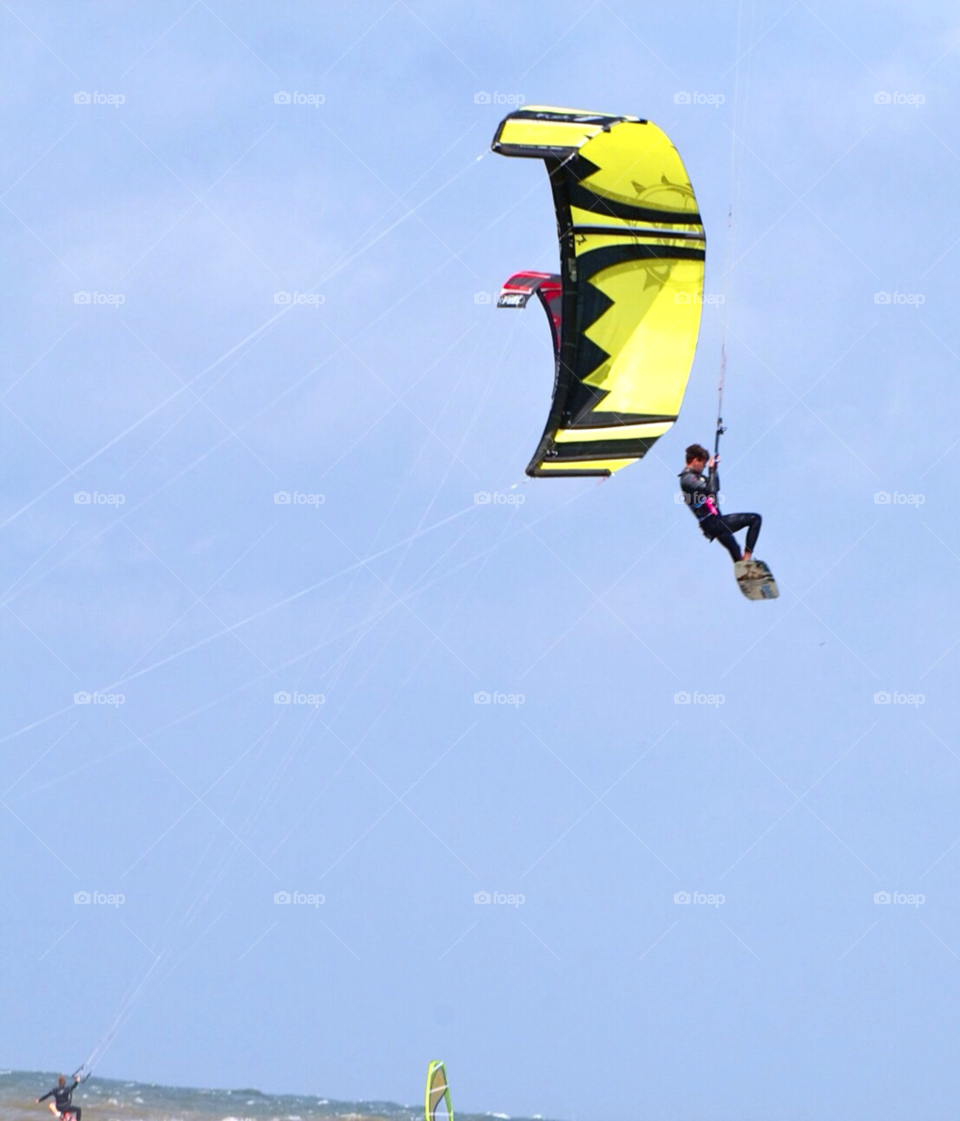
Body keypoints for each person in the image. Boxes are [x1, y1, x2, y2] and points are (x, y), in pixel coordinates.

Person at [679, 443, 762, 563]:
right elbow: (711, 489)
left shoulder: (696, 477)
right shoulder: (687, 478)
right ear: (696, 460)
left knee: (735, 548)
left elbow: (715, 488)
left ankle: (743, 567)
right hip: (712, 523)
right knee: (755, 519)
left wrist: (714, 469)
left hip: (714, 521)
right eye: (703, 464)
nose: (703, 467)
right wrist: (711, 469)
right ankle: (747, 558)